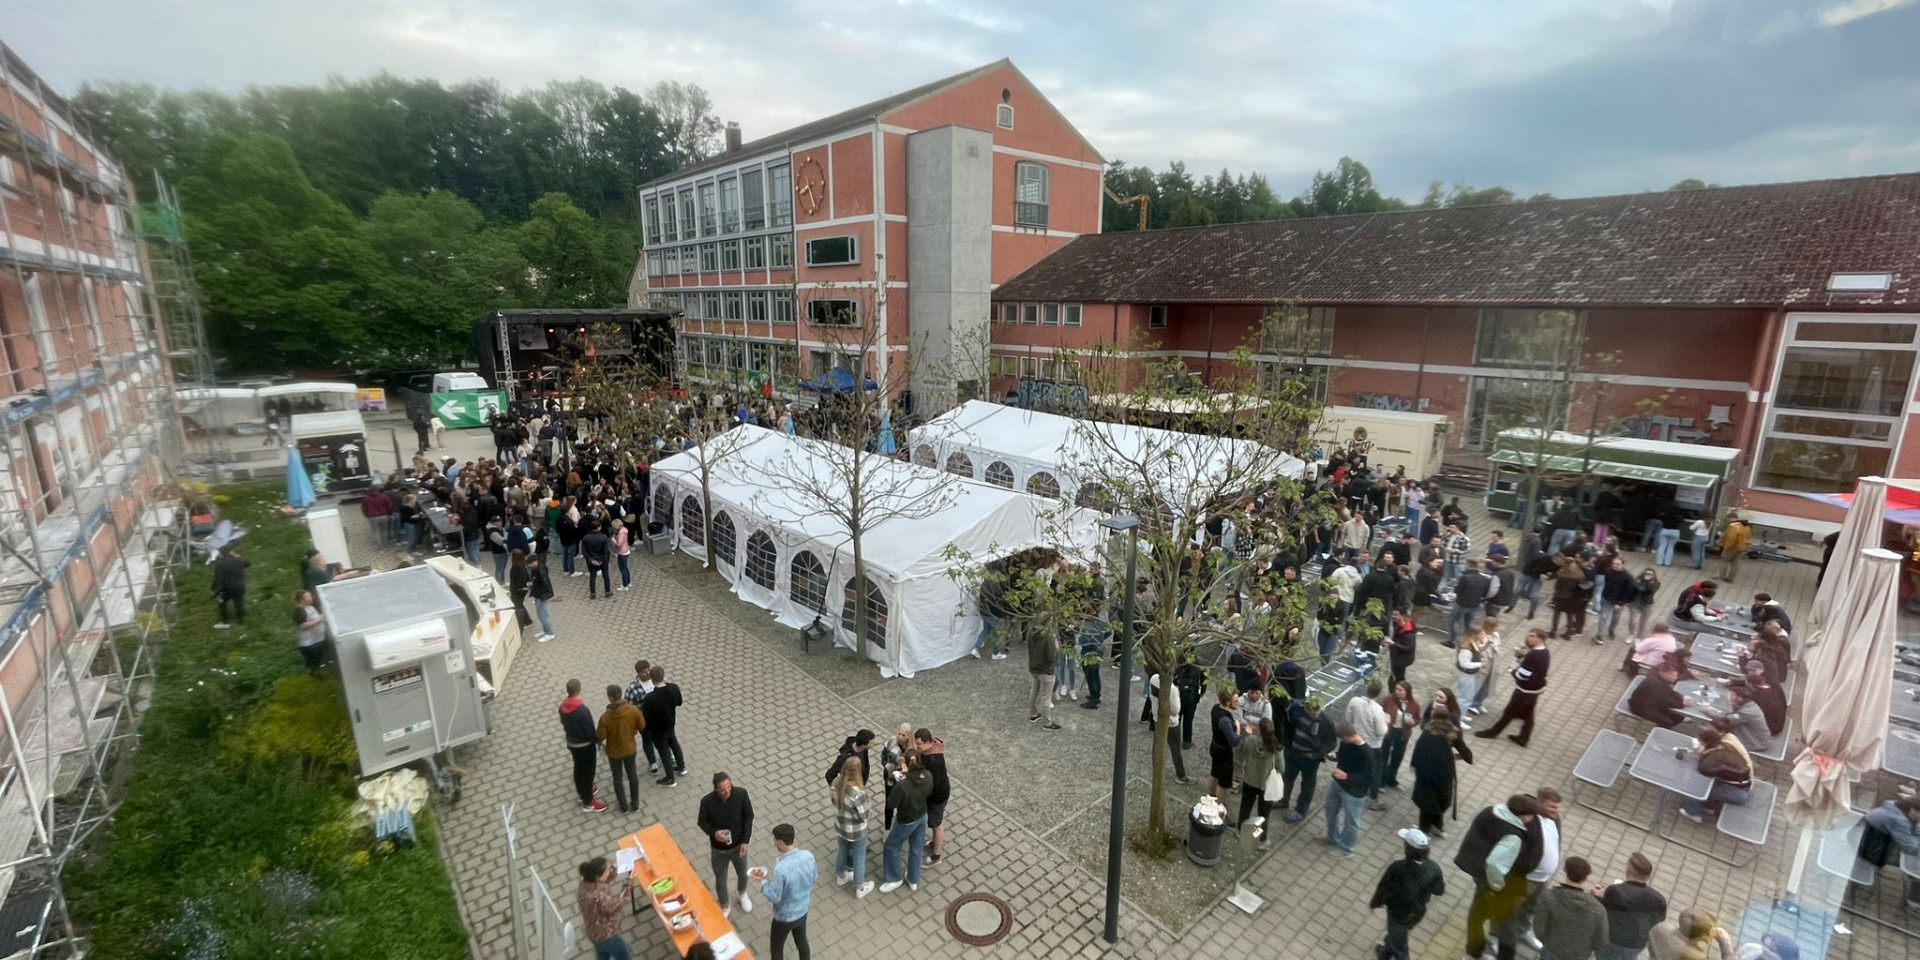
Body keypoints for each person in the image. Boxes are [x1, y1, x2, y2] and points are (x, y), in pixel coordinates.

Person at [1457, 795, 1542, 960]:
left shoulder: (1490, 811)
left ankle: (1474, 953)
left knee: (1475, 916)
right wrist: (1496, 886)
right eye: (1532, 816)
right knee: (1507, 924)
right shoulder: (1513, 836)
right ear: (1523, 816)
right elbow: (1495, 865)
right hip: (1497, 883)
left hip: (1477, 869)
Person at [1369, 827, 1447, 960]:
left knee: (1400, 947)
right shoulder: (1434, 868)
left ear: (1408, 849)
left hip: (1398, 913)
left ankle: (1388, 951)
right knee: (1396, 934)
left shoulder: (1397, 867)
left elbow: (1383, 887)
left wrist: (1375, 903)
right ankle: (1385, 953)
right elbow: (1439, 890)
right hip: (1417, 912)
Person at [1476, 628, 1551, 747]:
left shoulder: (1534, 655)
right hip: (1535, 689)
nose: (1527, 638)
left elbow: (1523, 675)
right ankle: (1523, 738)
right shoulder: (1544, 651)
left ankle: (1493, 732)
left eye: (1531, 636)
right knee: (1528, 714)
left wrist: (1514, 670)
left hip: (1525, 690)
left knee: (1509, 712)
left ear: (1539, 639)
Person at [697, 772, 755, 915]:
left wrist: (745, 841)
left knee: (743, 873)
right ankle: (724, 904)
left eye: (729, 787)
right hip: (719, 850)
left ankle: (742, 894)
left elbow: (749, 817)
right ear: (716, 789)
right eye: (723, 790)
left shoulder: (741, 794)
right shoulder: (707, 802)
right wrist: (714, 833)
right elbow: (702, 822)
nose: (727, 791)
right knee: (720, 879)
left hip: (738, 846)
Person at [1409, 706, 1472, 837]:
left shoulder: (1428, 733)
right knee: (1439, 801)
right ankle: (1438, 827)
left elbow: (1419, 753)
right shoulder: (1453, 733)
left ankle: (1423, 831)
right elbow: (1467, 754)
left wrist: (1415, 767)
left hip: (1427, 776)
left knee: (1426, 804)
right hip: (1444, 775)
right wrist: (1455, 757)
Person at [758, 823, 816, 960]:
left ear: (780, 842)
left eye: (775, 841)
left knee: (777, 950)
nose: (774, 844)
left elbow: (775, 896)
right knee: (802, 943)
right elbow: (814, 878)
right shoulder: (808, 856)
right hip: (802, 910)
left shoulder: (781, 869)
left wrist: (763, 881)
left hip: (784, 917)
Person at [1534, 856, 1610, 960]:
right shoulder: (1598, 909)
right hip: (1578, 955)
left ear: (1565, 870)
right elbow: (1601, 939)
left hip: (1551, 949)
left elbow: (1538, 926)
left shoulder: (1548, 897)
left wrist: (1547, 941)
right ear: (1585, 878)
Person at [1596, 853, 1668, 960]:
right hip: (1637, 943)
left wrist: (1598, 896)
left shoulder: (1615, 891)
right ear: (1648, 876)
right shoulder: (1659, 899)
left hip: (1613, 939)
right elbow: (1657, 923)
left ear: (1627, 871)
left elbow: (1601, 911)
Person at [880, 750, 933, 893]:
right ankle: (913, 879)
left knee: (891, 846)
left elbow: (891, 803)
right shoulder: (928, 775)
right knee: (916, 847)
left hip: (906, 820)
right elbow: (929, 791)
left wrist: (902, 780)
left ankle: (894, 878)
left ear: (906, 765)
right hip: (922, 816)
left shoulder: (903, 785)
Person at [1678, 723, 1753, 824]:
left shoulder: (1713, 758)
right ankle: (1708, 806)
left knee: (1693, 784)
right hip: (1741, 787)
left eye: (1700, 743)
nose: (1698, 745)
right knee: (1708, 783)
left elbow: (1702, 770)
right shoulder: (1724, 745)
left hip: (1737, 793)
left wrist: (1702, 754)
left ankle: (1692, 812)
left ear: (1705, 743)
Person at [1281, 698, 1337, 823]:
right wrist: (1286, 743)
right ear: (1306, 708)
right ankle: (1283, 800)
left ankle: (1301, 810)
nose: (1316, 714)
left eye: (1318, 711)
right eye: (1313, 712)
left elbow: (1331, 742)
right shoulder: (1297, 711)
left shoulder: (1327, 722)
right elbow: (1287, 724)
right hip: (1293, 751)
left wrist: (1317, 755)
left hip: (1310, 758)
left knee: (1307, 784)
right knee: (1287, 777)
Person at [1327, 721, 1374, 855]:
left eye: (1342, 739)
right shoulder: (1346, 743)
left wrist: (1346, 776)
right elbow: (1343, 755)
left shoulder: (1367, 754)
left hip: (1354, 793)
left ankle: (1346, 849)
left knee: (1351, 822)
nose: (1341, 741)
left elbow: (1368, 778)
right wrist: (1336, 756)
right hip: (1337, 784)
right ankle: (1333, 838)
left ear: (1349, 736)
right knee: (1330, 811)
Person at [832, 755, 875, 898]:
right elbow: (864, 815)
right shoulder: (858, 793)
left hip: (841, 826)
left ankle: (841, 875)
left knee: (842, 850)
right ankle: (860, 886)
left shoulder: (836, 782)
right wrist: (870, 807)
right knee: (859, 857)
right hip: (857, 831)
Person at [559, 680, 606, 812]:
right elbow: (589, 730)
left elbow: (563, 722)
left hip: (572, 743)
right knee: (588, 771)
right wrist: (598, 741)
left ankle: (583, 792)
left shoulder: (563, 707)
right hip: (585, 745)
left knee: (578, 768)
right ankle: (589, 801)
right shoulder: (582, 710)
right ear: (580, 690)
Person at [596, 684, 644, 813]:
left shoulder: (605, 717)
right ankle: (635, 803)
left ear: (610, 698)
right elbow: (642, 726)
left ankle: (623, 807)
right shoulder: (633, 710)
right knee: (632, 775)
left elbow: (600, 736)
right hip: (630, 748)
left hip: (614, 752)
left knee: (617, 778)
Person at [576, 856, 632, 960]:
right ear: (598, 877)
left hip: (594, 933)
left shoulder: (584, 886)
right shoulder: (599, 895)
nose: (612, 870)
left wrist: (616, 868)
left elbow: (607, 879)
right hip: (608, 936)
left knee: (602, 954)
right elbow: (616, 905)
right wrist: (628, 883)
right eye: (609, 869)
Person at [1347, 679, 1390, 810]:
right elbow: (1381, 731)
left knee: (1356, 767)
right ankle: (1373, 799)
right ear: (1379, 693)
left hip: (1357, 741)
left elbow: (1348, 719)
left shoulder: (1354, 701)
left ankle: (1352, 790)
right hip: (1373, 746)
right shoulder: (1378, 710)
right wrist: (1387, 721)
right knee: (1375, 771)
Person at [1236, 717, 1281, 841]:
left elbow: (1241, 753)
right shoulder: (1276, 747)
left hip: (1249, 780)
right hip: (1266, 785)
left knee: (1245, 806)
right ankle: (1262, 839)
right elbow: (1281, 767)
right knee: (1264, 813)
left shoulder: (1250, 740)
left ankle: (1241, 830)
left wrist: (1247, 735)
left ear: (1259, 730)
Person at [642, 666, 685, 785]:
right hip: (671, 723)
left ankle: (670, 778)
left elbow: (647, 717)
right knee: (674, 743)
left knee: (664, 751)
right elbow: (679, 702)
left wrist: (648, 729)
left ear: (651, 678)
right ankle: (681, 767)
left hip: (658, 730)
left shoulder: (650, 698)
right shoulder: (673, 688)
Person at [1702, 682, 1772, 756]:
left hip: (1755, 742)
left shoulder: (1748, 712)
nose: (1730, 696)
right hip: (1753, 737)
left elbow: (1725, 721)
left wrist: (1708, 711)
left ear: (1740, 698)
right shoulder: (1749, 704)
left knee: (1715, 735)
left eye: (1732, 695)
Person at [914, 728, 950, 867]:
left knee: (937, 825)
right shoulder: (931, 751)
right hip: (937, 794)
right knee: (935, 823)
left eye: (919, 744)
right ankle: (933, 843)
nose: (917, 748)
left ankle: (936, 856)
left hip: (937, 797)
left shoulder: (933, 760)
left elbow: (926, 781)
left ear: (928, 742)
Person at [1379, 681, 1421, 792]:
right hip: (1389, 731)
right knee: (1384, 756)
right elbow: (1380, 711)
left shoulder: (1413, 704)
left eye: (1401, 690)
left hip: (1403, 733)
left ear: (1407, 692)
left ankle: (1391, 779)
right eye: (1396, 689)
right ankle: (1380, 782)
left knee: (1397, 756)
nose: (1397, 691)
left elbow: (1417, 718)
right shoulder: (1388, 699)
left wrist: (1413, 722)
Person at [1649, 908, 1734, 960]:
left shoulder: (1660, 928)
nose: (1715, 931)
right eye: (1711, 930)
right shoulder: (1696, 957)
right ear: (1703, 936)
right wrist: (1726, 946)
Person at [1629, 661, 1691, 729]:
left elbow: (1670, 691)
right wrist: (1682, 704)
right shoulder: (1656, 685)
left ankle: (1677, 721)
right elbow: (1664, 702)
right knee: (1667, 721)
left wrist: (1681, 697)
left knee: (1676, 716)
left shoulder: (1659, 678)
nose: (1676, 677)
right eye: (1675, 675)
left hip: (1649, 703)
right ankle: (1656, 734)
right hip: (1639, 708)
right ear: (1667, 674)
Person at [1210, 688, 1245, 801]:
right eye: (1235, 701)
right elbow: (1234, 741)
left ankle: (1210, 798)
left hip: (1214, 744)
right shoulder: (1225, 720)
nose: (1238, 702)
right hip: (1224, 751)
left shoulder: (1216, 707)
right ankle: (1219, 806)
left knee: (1214, 772)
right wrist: (1238, 729)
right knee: (1223, 782)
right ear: (1228, 702)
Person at [1450, 560, 1493, 648]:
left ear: (1469, 565)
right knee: (1468, 623)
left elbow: (1457, 590)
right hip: (1474, 604)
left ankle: (1452, 641)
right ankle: (1468, 640)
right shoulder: (1484, 579)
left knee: (1455, 621)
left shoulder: (1465, 577)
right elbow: (1485, 593)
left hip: (1462, 603)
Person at [1027, 623, 1061, 730]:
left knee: (1034, 691)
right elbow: (1051, 657)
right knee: (1046, 696)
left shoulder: (1031, 632)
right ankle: (1047, 723)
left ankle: (1033, 714)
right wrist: (1056, 647)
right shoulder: (1048, 636)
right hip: (1045, 670)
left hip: (1034, 667)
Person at [1596, 556, 1635, 643]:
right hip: (1606, 598)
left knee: (1615, 618)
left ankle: (1611, 630)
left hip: (1618, 601)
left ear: (1623, 565)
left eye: (1617, 564)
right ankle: (1600, 636)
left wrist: (1620, 603)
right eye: (1613, 563)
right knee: (1604, 617)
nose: (1614, 565)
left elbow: (1628, 592)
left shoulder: (1628, 577)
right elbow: (1606, 583)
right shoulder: (1608, 571)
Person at [212, 546, 249, 628]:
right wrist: (237, 555)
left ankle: (224, 619)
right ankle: (240, 620)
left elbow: (218, 578)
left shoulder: (220, 564)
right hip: (240, 586)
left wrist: (215, 590)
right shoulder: (238, 560)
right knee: (239, 602)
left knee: (222, 603)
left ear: (221, 554)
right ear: (231, 552)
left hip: (227, 588)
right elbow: (248, 564)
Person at [292, 591, 328, 672]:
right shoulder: (299, 611)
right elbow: (303, 626)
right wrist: (319, 619)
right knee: (313, 665)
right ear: (302, 600)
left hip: (318, 639)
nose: (311, 598)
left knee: (319, 662)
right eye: (308, 596)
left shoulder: (311, 607)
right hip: (309, 644)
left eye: (310, 596)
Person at [527, 553, 556, 642]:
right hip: (539, 595)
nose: (529, 566)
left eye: (530, 564)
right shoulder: (536, 568)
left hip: (542, 595)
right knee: (540, 614)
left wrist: (538, 592)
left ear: (535, 562)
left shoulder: (540, 570)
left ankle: (549, 633)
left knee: (542, 614)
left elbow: (545, 585)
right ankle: (545, 630)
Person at [1627, 569, 1661, 640]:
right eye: (1647, 573)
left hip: (1647, 604)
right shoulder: (1638, 580)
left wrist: (1647, 581)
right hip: (1636, 603)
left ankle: (1639, 637)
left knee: (1643, 623)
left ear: (1654, 575)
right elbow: (1636, 588)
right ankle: (1631, 634)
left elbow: (1650, 590)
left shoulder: (1656, 583)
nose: (1648, 575)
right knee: (1633, 621)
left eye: (1650, 574)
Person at [1717, 513, 1750, 581]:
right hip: (1741, 547)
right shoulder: (1746, 526)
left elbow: (1731, 538)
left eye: (1728, 519)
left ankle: (1722, 576)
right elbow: (1748, 537)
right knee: (1736, 563)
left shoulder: (1733, 527)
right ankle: (1731, 578)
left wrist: (1727, 546)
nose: (1728, 521)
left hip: (1732, 547)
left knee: (1724, 560)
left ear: (1732, 518)